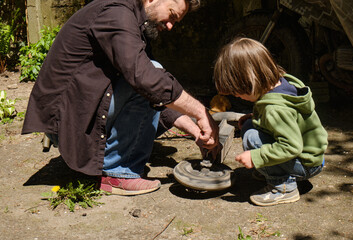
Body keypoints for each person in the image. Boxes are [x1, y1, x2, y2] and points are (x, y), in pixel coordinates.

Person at [22, 0, 219, 196]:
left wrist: (194, 129)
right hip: (68, 121)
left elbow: (154, 90)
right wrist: (201, 112)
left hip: (78, 111)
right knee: (152, 74)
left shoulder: (132, 18)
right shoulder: (116, 13)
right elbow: (146, 80)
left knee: (151, 75)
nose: (170, 26)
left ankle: (113, 162)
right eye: (172, 16)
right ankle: (117, 171)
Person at [213, 37, 328, 206]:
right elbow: (284, 124)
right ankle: (275, 171)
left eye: (237, 92)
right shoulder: (281, 85)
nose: (237, 96)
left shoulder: (275, 109)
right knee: (250, 125)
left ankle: (283, 186)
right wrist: (255, 117)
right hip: (308, 156)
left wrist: (256, 156)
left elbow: (291, 146)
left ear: (249, 81)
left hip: (306, 164)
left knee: (252, 137)